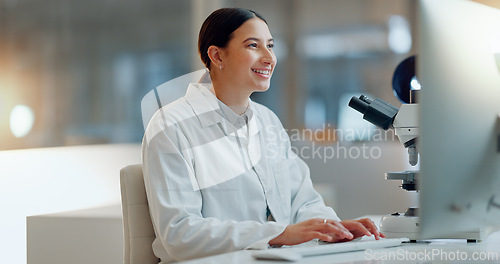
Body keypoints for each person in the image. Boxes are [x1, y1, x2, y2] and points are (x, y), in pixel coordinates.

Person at [142, 7, 384, 263]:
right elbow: (180, 234)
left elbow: (303, 201)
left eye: (270, 45)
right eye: (253, 46)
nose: (269, 57)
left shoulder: (267, 121)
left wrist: (332, 228)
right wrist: (279, 234)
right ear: (216, 55)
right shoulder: (172, 125)